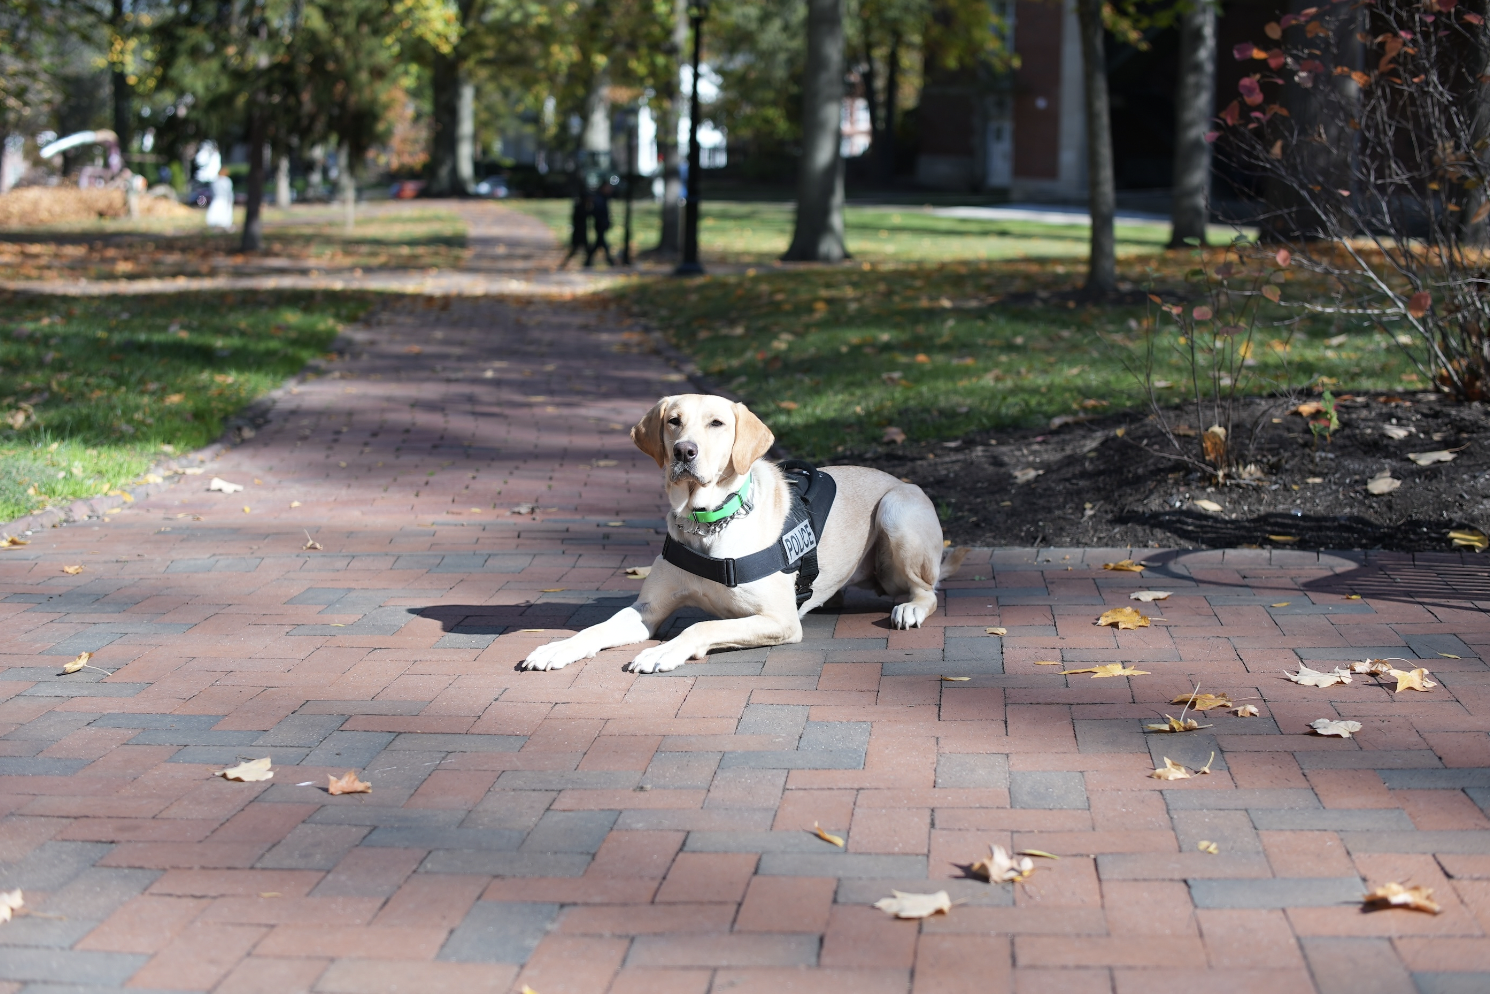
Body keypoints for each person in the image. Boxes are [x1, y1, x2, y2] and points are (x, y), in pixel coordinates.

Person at [559, 191, 590, 268]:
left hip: (581, 232)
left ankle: (588, 263)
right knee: (576, 249)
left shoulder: (581, 206)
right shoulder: (580, 207)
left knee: (583, 249)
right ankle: (587, 263)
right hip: (579, 232)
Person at [585, 184, 615, 267]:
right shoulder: (599, 198)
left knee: (599, 242)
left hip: (602, 224)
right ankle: (610, 260)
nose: (610, 190)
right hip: (600, 225)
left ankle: (588, 261)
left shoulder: (603, 198)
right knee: (601, 242)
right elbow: (597, 212)